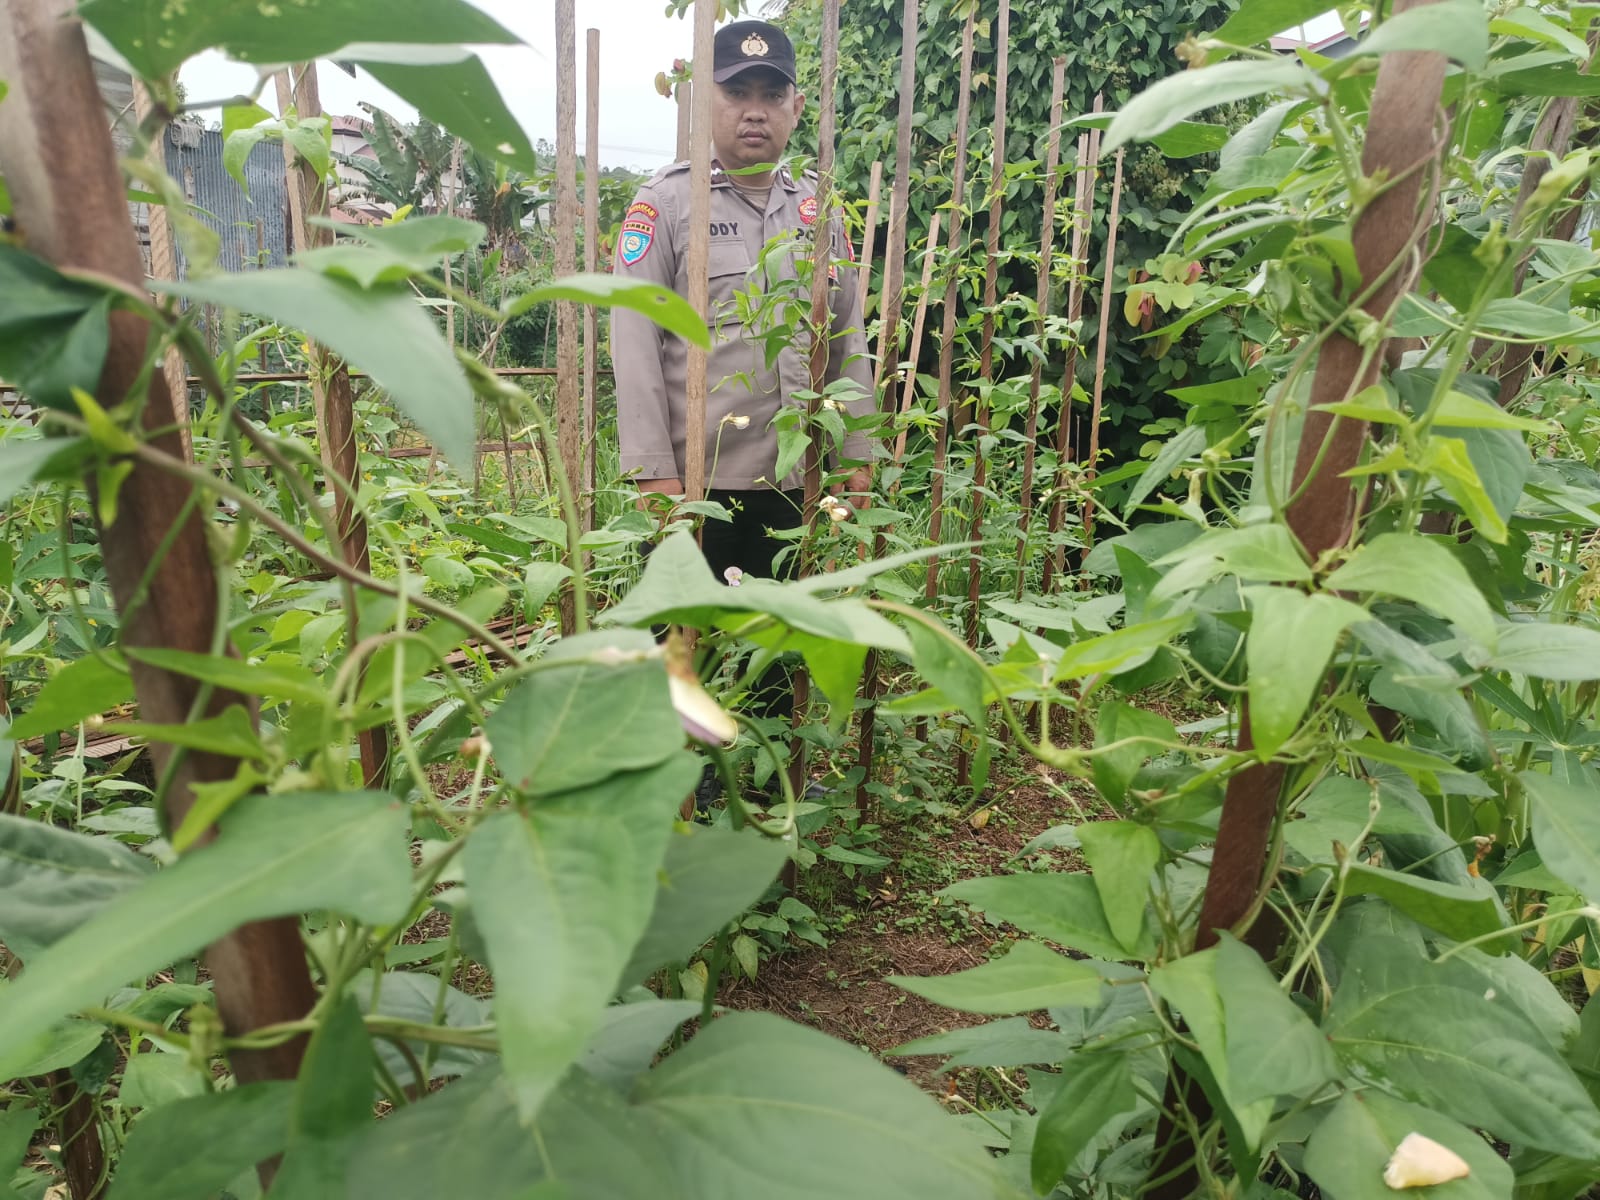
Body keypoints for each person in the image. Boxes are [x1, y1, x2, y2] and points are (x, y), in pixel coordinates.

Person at [610, 17, 876, 609]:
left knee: (778, 662)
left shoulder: (818, 210)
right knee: (690, 653)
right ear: (706, 101)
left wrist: (856, 454)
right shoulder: (667, 204)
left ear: (796, 106)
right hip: (702, 484)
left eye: (771, 94)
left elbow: (846, 338)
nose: (754, 111)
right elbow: (635, 343)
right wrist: (654, 474)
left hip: (799, 480)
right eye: (736, 93)